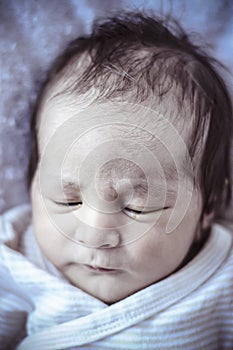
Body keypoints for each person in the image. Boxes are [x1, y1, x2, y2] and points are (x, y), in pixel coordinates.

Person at [0, 11, 233, 350]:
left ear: (206, 211)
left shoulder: (222, 279)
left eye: (137, 207)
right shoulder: (15, 259)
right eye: (68, 200)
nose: (95, 234)